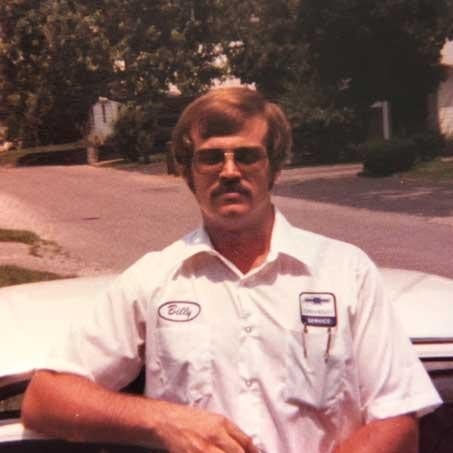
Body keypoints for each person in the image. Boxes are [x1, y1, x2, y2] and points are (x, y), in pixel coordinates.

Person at [22, 87, 441, 453]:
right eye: (209, 159)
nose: (229, 171)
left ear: (274, 167)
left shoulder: (346, 272)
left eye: (246, 155)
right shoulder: (154, 280)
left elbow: (398, 420)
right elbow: (45, 401)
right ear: (187, 174)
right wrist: (164, 421)